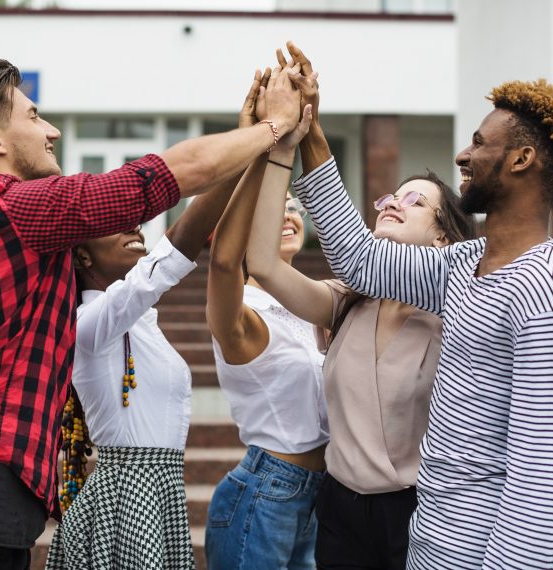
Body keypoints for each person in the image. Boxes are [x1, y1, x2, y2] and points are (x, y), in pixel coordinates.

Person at [0, 57, 300, 569]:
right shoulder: (12, 207)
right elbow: (154, 181)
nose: (52, 130)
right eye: (34, 117)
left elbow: (178, 244)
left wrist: (247, 143)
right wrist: (274, 126)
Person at [287, 43, 553, 570]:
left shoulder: (544, 293)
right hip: (424, 542)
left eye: (480, 144)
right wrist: (311, 130)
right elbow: (359, 259)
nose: (462, 156)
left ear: (522, 159)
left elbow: (540, 478)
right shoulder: (463, 263)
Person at [247, 55, 475, 567]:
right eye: (391, 196)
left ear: (443, 234)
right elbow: (262, 263)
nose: (394, 202)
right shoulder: (347, 302)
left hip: (417, 514)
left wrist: (312, 129)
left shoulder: (459, 311)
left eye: (415, 201)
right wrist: (282, 149)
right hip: (340, 512)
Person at [43, 71, 272, 570]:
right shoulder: (89, 322)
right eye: (111, 225)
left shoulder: (141, 322)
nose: (132, 226)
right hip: (126, 497)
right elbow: (175, 252)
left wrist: (247, 149)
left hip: (159, 488)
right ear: (81, 259)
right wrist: (250, 142)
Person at [204, 65, 328, 570]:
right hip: (265, 495)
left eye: (293, 206)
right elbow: (222, 262)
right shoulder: (245, 313)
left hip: (315, 497)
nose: (286, 213)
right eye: (272, 209)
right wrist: (262, 143)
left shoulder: (308, 307)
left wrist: (303, 124)